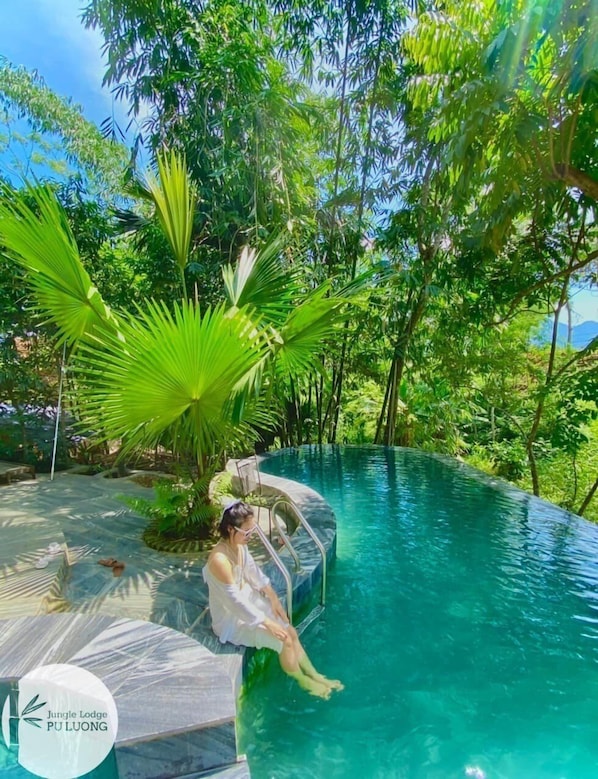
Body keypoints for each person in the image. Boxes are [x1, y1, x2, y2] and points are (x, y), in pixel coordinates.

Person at [203, 499, 343, 699]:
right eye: (247, 532)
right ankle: (304, 682)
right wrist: (266, 622)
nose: (251, 536)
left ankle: (316, 675)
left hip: (249, 601)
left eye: (252, 530)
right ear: (230, 529)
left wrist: (274, 599)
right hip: (231, 620)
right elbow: (234, 602)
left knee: (290, 631)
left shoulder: (239, 546)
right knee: (283, 640)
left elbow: (254, 573)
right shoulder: (219, 560)